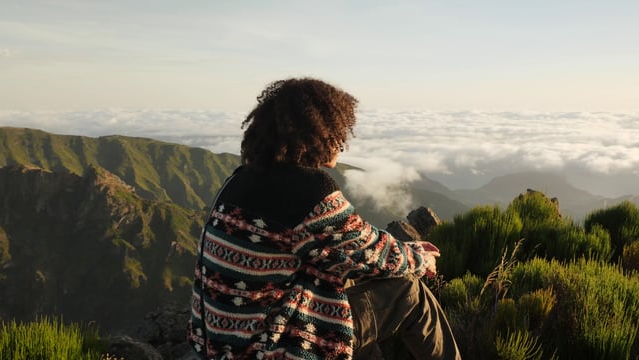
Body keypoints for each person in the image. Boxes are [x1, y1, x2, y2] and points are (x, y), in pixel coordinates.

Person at [187, 77, 461, 360]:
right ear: (317, 133)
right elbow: (371, 251)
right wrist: (419, 259)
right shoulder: (310, 191)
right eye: (338, 132)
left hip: (216, 346)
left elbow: (348, 244)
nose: (342, 142)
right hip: (270, 349)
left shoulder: (238, 179)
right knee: (410, 292)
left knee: (342, 278)